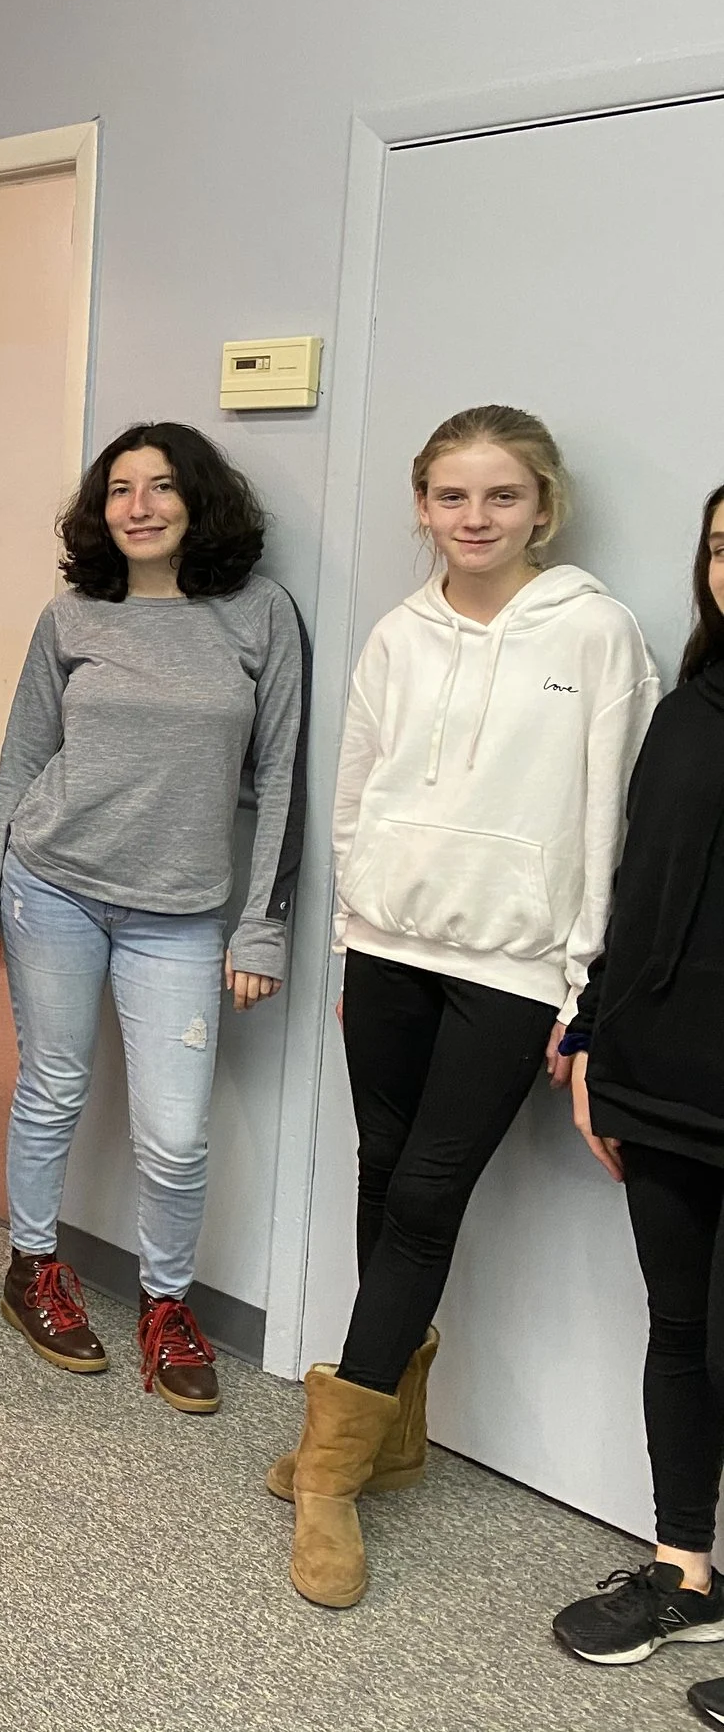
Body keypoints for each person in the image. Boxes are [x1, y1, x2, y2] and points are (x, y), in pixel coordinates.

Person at [277, 404, 658, 1610]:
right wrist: (348, 937)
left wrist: (582, 982)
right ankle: (391, 1435)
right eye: (451, 497)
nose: (475, 519)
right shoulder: (398, 632)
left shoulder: (595, 633)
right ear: (422, 507)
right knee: (380, 1169)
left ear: (541, 505)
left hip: (514, 965)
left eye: (499, 497)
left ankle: (330, 1471)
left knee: (429, 1194)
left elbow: (612, 822)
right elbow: (355, 792)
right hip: (388, 944)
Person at [0, 423, 305, 1414]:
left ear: (198, 500)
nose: (139, 506)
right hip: (51, 883)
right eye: (119, 489)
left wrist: (260, 925)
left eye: (159, 487)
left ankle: (164, 1304)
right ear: (98, 509)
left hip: (182, 914)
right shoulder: (72, 615)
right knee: (53, 1088)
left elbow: (282, 778)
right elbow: (22, 760)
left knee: (176, 1133)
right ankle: (31, 1269)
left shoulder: (258, 616)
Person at [548, 486, 724, 1713]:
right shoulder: (688, 711)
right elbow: (637, 886)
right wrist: (594, 1039)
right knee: (678, 1330)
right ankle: (687, 1572)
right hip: (663, 1077)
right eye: (721, 545)